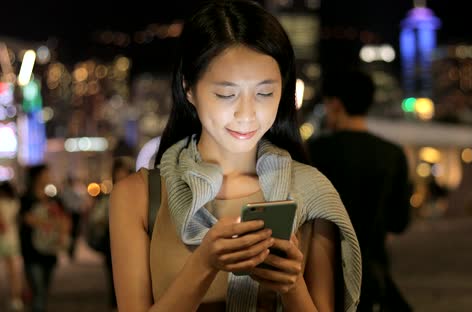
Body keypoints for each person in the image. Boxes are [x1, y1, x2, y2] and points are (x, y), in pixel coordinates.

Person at [108, 1, 362, 311]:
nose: (246, 114)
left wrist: (291, 284)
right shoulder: (137, 197)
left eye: (265, 93)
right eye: (226, 94)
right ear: (188, 87)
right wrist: (205, 264)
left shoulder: (311, 192)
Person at [307, 68, 413, 311]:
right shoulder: (393, 154)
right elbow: (399, 222)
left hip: (323, 273)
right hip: (371, 274)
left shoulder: (315, 150)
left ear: (335, 104)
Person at [18, 164, 71, 312]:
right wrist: (49, 223)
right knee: (38, 288)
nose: (49, 176)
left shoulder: (54, 198)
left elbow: (65, 218)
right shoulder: (27, 198)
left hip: (50, 249)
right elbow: (26, 218)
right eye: (46, 174)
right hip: (31, 250)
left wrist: (62, 232)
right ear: (37, 176)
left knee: (44, 288)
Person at [87, 156, 135, 310]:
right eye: (118, 173)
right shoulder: (109, 198)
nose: (121, 177)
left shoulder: (138, 195)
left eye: (124, 173)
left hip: (133, 244)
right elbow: (96, 218)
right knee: (115, 278)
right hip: (113, 245)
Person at [0, 181, 24, 311]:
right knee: (14, 271)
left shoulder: (1, 203)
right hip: (13, 237)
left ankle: (15, 297)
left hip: (3, 238)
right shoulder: (16, 203)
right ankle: (16, 298)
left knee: (11, 271)